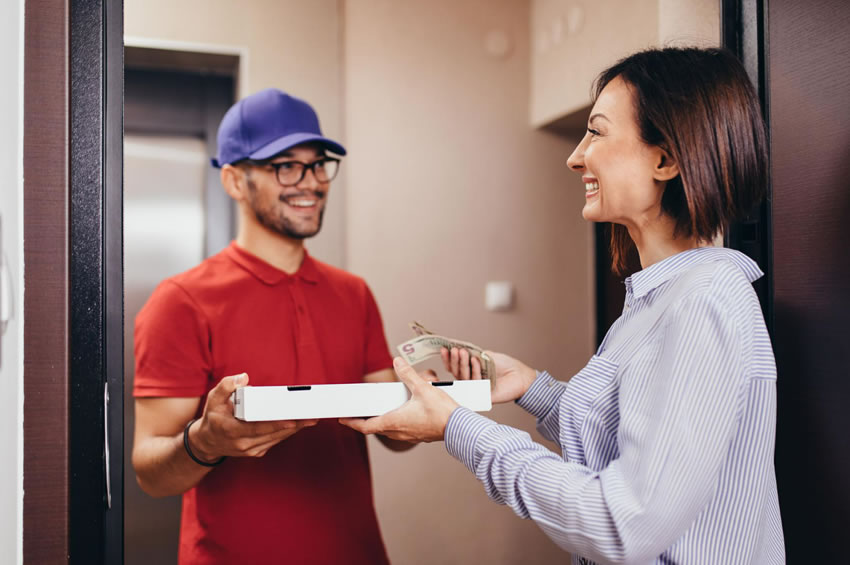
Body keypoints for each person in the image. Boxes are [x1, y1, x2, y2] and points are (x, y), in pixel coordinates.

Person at [342, 47, 785, 564]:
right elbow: (629, 442)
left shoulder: (704, 302)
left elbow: (623, 524)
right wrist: (531, 387)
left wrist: (456, 427)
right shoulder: (658, 299)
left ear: (665, 159)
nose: (576, 156)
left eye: (596, 131)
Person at [132, 88, 412, 565]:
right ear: (235, 181)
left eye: (318, 163)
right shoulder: (180, 301)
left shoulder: (354, 293)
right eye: (286, 165)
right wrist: (204, 442)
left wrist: (432, 392)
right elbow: (151, 474)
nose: (311, 182)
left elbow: (393, 432)